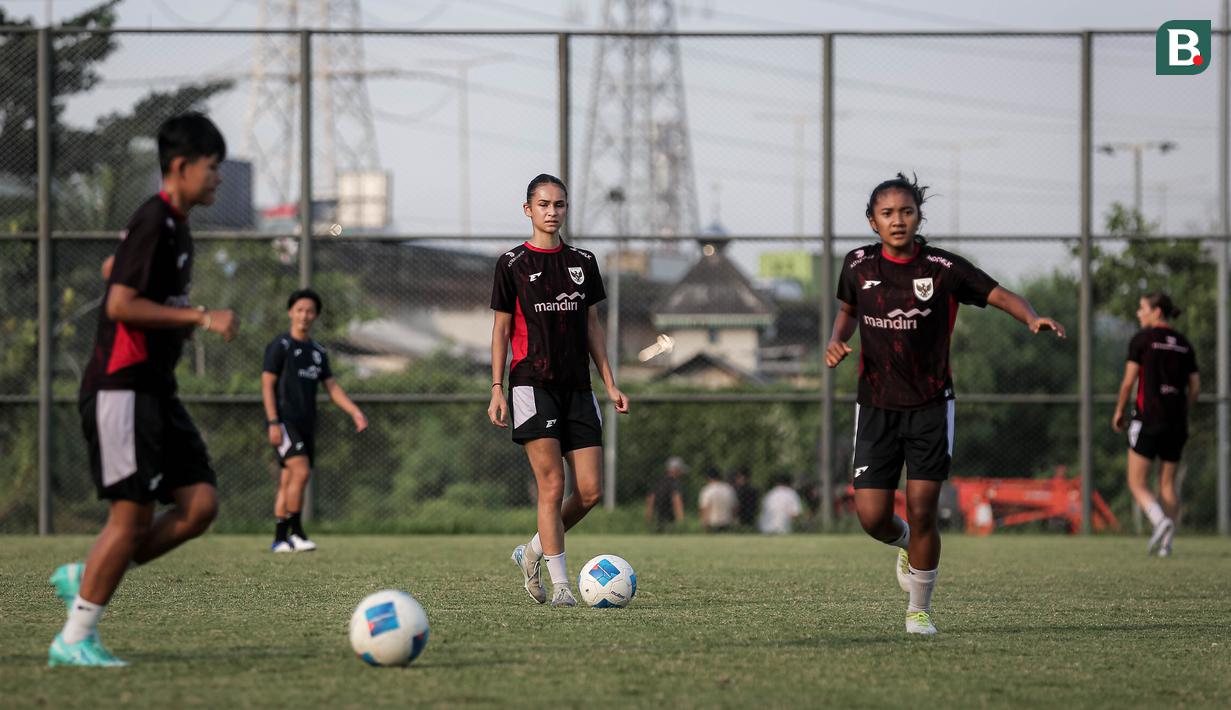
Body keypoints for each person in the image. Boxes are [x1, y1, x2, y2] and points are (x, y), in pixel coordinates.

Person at [825, 172, 1064, 635]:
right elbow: (847, 313)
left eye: (907, 211)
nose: (898, 220)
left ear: (918, 216)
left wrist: (1031, 317)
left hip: (932, 406)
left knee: (922, 506)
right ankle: (908, 544)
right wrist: (835, 340)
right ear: (872, 221)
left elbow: (998, 294)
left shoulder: (943, 268)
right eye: (888, 213)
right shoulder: (857, 265)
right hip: (875, 405)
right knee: (873, 517)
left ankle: (919, 609)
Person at [48, 114, 239, 666]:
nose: (218, 178)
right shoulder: (155, 218)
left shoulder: (174, 226)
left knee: (199, 505)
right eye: (212, 167)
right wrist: (202, 317)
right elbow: (119, 304)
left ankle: (90, 576)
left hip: (156, 391)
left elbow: (121, 270)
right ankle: (75, 638)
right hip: (122, 388)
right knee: (129, 519)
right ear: (181, 167)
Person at [489, 173, 629, 608]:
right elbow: (501, 330)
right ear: (528, 209)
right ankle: (562, 584)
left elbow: (592, 326)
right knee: (552, 485)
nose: (553, 212)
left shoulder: (584, 261)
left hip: (578, 388)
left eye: (560, 205)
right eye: (544, 204)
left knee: (590, 492)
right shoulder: (511, 264)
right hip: (531, 385)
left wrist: (609, 381)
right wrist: (497, 388)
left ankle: (532, 551)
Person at [262, 288, 368, 552]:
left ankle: (279, 539)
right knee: (300, 472)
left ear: (316, 315)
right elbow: (267, 385)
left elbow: (331, 387)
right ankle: (296, 532)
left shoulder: (318, 351)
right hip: (284, 422)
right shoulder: (281, 346)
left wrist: (354, 410)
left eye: (310, 311)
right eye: (299, 310)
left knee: (289, 479)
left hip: (306, 423)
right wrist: (273, 422)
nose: (304, 315)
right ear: (290, 312)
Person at [1111, 292, 1199, 557]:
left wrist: (1118, 411)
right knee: (1167, 484)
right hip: (1176, 422)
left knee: (1137, 482)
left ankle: (1160, 521)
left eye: (1142, 308)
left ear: (1156, 311)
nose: (1139, 314)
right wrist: (1184, 410)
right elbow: (1195, 386)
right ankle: (1166, 546)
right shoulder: (1184, 344)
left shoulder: (1142, 340)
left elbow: (1128, 382)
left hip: (1148, 418)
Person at [646, 456, 686, 532]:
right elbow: (677, 501)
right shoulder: (675, 483)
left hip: (659, 521)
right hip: (671, 522)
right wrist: (681, 521)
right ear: (675, 470)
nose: (681, 472)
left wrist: (649, 519)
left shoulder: (658, 482)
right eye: (680, 469)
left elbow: (650, 500)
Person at [697, 467, 737, 532]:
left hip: (712, 524)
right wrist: (734, 522)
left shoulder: (707, 490)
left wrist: (704, 525)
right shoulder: (729, 489)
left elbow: (705, 509)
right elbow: (735, 508)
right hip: (727, 523)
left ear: (708, 478)